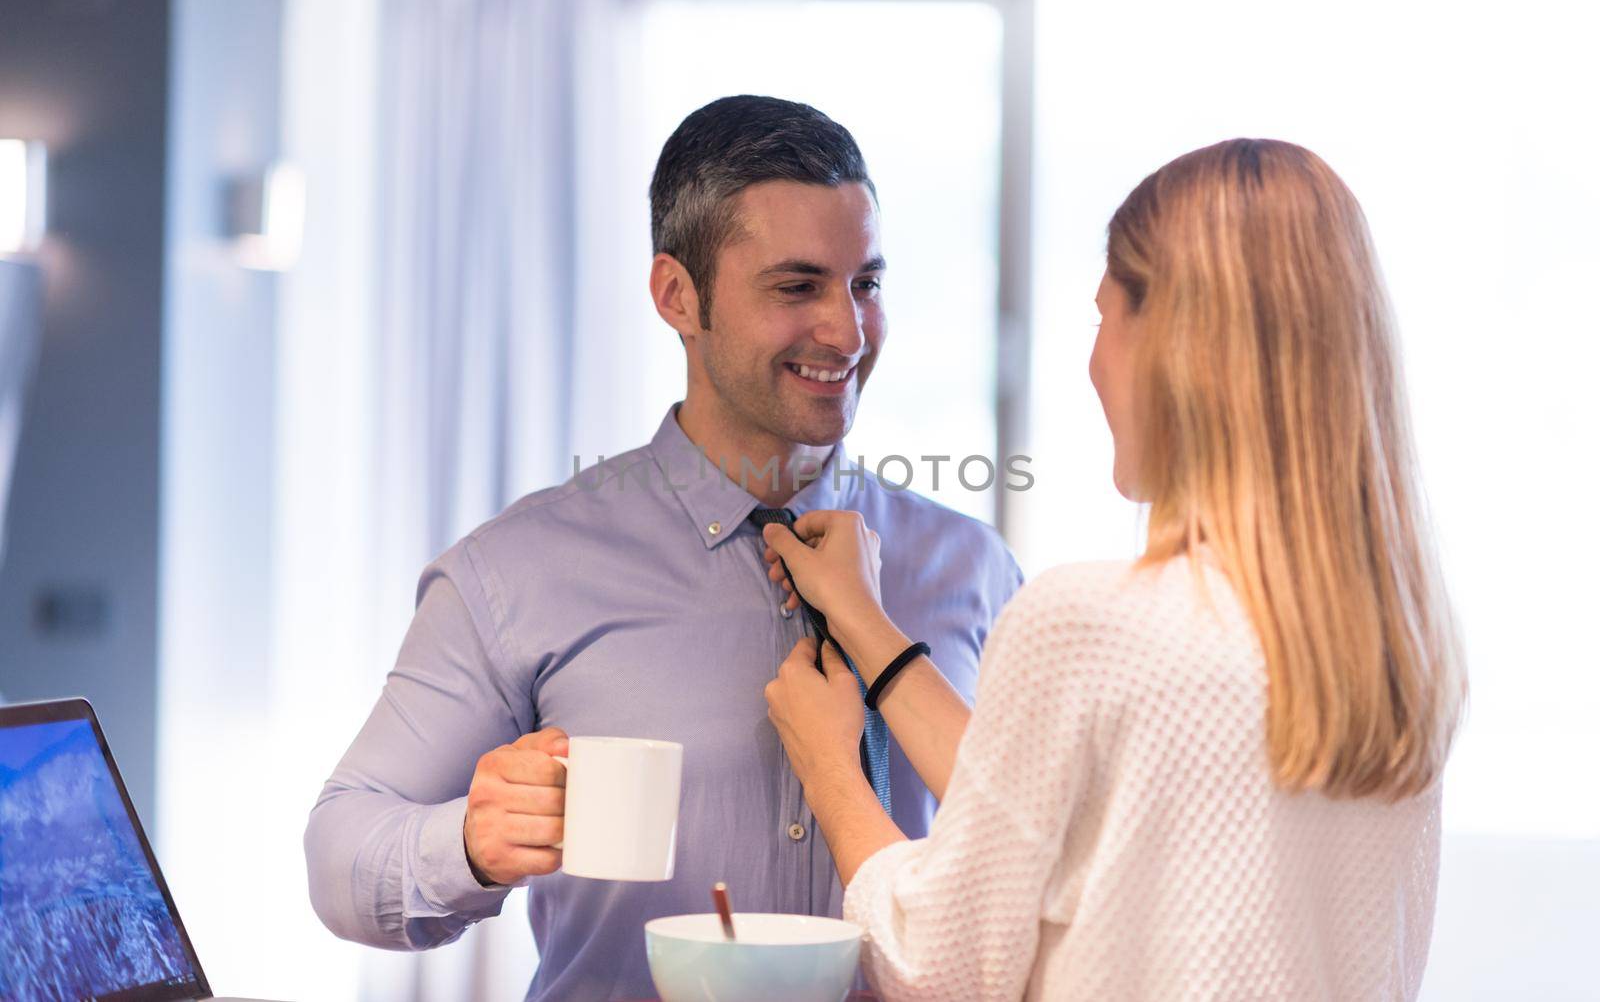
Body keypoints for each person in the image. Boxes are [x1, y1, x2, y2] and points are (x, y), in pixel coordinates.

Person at [302, 95, 1022, 1000]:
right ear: (678, 296)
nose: (846, 331)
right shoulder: (516, 570)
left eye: (865, 284)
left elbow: (1038, 871)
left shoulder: (975, 572)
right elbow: (338, 852)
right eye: (797, 287)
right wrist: (468, 844)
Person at [762, 138, 1468, 1001]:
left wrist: (831, 766)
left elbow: (937, 962)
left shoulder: (1092, 624)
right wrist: (870, 632)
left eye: (1104, 319)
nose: (1094, 363)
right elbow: (1046, 818)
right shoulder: (1393, 656)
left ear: (1174, 344)